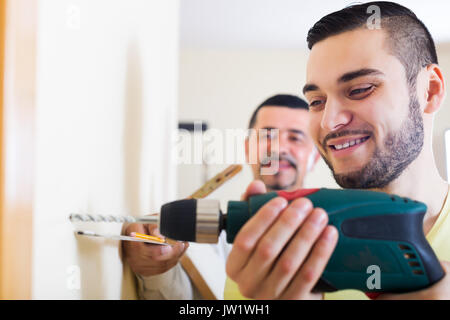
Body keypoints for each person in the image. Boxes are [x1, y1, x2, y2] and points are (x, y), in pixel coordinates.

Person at [225, 1, 450, 300]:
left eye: (359, 90)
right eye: (316, 102)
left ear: (430, 91)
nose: (329, 121)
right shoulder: (274, 259)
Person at [122, 94, 320, 299]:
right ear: (247, 149)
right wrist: (156, 270)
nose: (278, 148)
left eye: (295, 138)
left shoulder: (340, 234)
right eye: (266, 136)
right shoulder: (212, 237)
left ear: (315, 156)